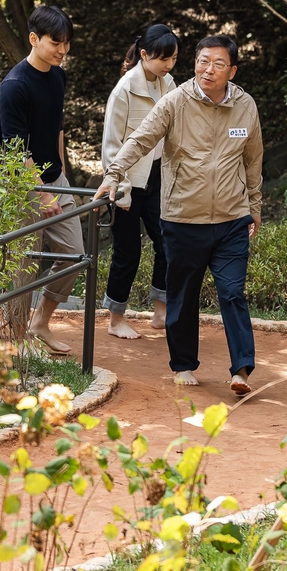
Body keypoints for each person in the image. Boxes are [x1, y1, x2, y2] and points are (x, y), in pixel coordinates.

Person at [94, 35, 263, 394]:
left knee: (232, 293)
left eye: (218, 63)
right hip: (183, 218)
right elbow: (140, 139)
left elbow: (253, 161)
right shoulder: (175, 101)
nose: (208, 69)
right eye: (203, 61)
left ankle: (242, 370)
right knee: (182, 295)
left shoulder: (246, 106)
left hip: (232, 219)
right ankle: (184, 365)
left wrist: (254, 207)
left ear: (232, 70)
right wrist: (113, 174)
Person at [0, 5, 82, 356]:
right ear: (34, 39)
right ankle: (17, 338)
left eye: (66, 43)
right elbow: (15, 150)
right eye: (55, 42)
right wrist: (43, 194)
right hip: (23, 183)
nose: (62, 50)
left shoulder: (58, 76)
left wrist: (61, 171)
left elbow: (57, 127)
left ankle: (40, 322)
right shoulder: (14, 86)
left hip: (54, 178)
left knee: (76, 254)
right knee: (23, 263)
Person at [100, 24, 179, 340]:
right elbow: (111, 145)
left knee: (167, 242)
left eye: (173, 58)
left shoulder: (168, 83)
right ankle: (116, 318)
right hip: (127, 182)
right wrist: (117, 185)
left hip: (159, 178)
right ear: (144, 54)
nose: (168, 65)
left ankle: (161, 312)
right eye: (163, 59)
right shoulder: (124, 90)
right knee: (127, 252)